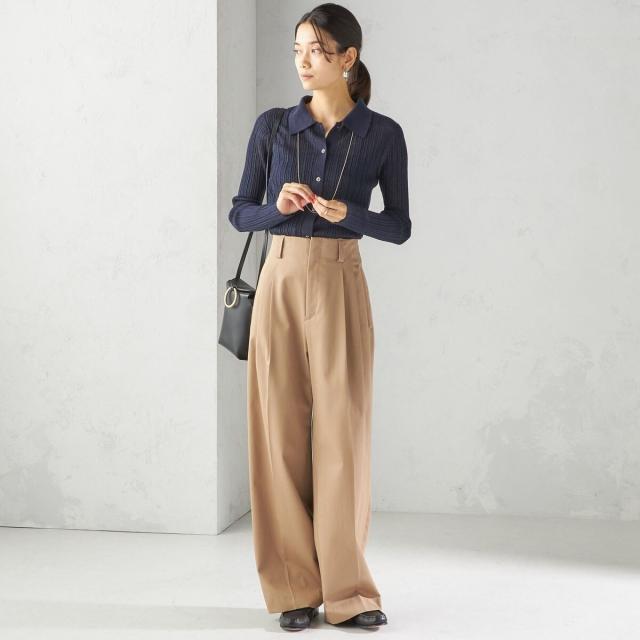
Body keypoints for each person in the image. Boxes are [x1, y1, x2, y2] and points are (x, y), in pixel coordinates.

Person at [228, 2, 410, 631]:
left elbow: (399, 226)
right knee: (277, 434)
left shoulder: (382, 134)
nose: (303, 61)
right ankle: (292, 591)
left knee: (343, 437)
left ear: (348, 58)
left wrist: (349, 215)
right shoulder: (273, 127)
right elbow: (240, 212)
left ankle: (350, 593)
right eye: (298, 49)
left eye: (317, 50)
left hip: (340, 279)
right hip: (279, 277)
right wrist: (276, 208)